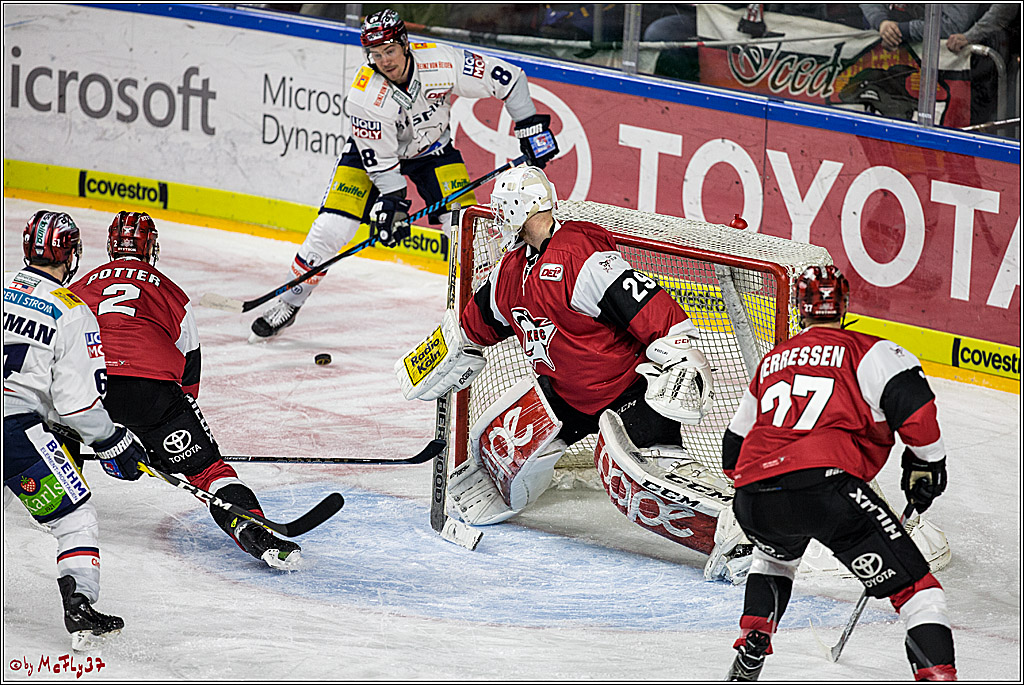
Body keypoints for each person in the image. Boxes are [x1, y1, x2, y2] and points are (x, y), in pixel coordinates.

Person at [395, 166, 744, 569]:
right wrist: (442, 352)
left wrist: (682, 357)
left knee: (647, 481)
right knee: (497, 452)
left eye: (500, 212)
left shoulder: (581, 255)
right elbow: (473, 327)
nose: (497, 222)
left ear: (514, 211)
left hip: (626, 390)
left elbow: (662, 318)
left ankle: (741, 533)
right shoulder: (509, 273)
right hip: (564, 395)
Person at [250, 8, 559, 341]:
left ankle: (487, 316)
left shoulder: (442, 62)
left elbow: (509, 78)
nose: (385, 60)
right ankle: (289, 302)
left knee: (470, 232)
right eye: (376, 54)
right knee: (332, 229)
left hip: (433, 154)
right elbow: (382, 167)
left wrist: (528, 126)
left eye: (390, 50)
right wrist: (393, 204)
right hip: (371, 160)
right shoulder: (365, 97)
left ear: (405, 44)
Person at [721, 265, 955, 681]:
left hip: (753, 496)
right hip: (826, 488)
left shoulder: (773, 361)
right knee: (920, 595)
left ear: (798, 308)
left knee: (775, 556)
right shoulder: (871, 350)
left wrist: (765, 489)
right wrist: (927, 465)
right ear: (844, 305)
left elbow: (733, 449)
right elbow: (917, 411)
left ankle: (753, 641)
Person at [69, 211, 301, 570]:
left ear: (111, 247)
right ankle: (254, 531)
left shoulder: (81, 286)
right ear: (150, 247)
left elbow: (58, 351)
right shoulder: (170, 290)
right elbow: (188, 371)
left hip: (88, 387)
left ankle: (50, 475)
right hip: (153, 392)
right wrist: (165, 435)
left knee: (43, 434)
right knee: (209, 472)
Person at [4, 210, 149, 650]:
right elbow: (78, 406)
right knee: (76, 515)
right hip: (14, 431)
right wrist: (112, 441)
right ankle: (80, 606)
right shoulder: (71, 311)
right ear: (71, 254)